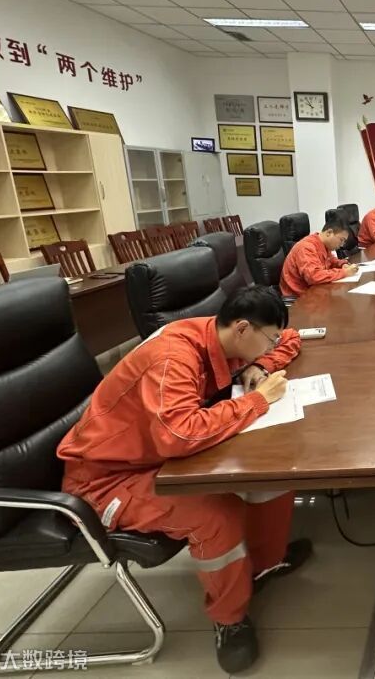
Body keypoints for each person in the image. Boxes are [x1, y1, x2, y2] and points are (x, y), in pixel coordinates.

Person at [58, 286, 307, 672]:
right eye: (268, 339)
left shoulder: (219, 336)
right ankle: (229, 619)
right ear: (242, 329)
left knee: (273, 468)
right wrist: (257, 400)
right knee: (215, 515)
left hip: (152, 455)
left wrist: (261, 364)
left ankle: (263, 565)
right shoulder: (173, 357)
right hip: (106, 479)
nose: (273, 343)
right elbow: (179, 435)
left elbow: (290, 337)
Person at [280, 218, 358, 296]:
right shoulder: (306, 247)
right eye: (341, 240)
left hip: (315, 290)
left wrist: (342, 264)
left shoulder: (323, 244)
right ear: (329, 232)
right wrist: (344, 272)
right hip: (299, 297)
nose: (342, 245)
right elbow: (314, 277)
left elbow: (331, 260)